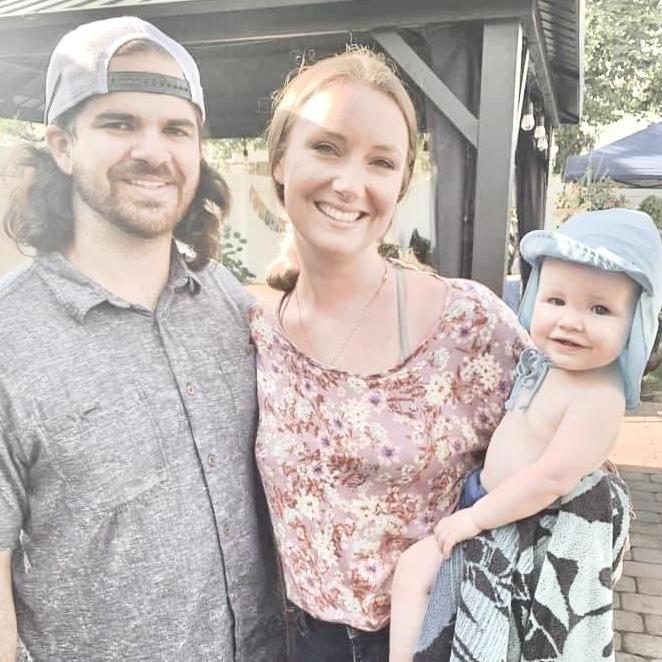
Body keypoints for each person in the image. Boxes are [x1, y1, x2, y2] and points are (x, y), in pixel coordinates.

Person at [0, 16, 284, 661]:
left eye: (175, 129)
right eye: (119, 123)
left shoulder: (227, 303)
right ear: (63, 145)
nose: (153, 152)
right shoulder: (10, 344)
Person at [247, 47, 529, 662]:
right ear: (280, 161)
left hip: (439, 637)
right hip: (297, 640)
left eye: (380, 161)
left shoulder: (469, 324)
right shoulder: (256, 329)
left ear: (401, 185)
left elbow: (572, 463)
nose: (350, 184)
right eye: (326, 148)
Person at [389, 208, 662, 662]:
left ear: (635, 324)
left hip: (518, 522)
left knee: (419, 573)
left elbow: (550, 479)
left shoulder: (598, 396)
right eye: (556, 300)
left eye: (599, 309)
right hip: (486, 500)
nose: (570, 321)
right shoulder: (548, 364)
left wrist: (475, 520)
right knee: (426, 580)